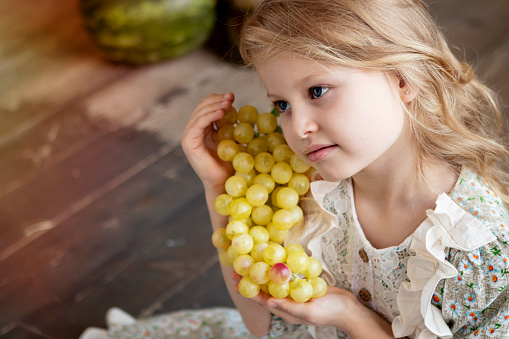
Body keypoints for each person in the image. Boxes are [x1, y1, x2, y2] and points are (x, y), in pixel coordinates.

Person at [81, 0, 509, 338]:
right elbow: (265, 326)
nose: (299, 127)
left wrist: (350, 317)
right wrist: (219, 186)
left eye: (318, 91)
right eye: (282, 104)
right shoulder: (317, 192)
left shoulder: (475, 247)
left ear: (401, 79)